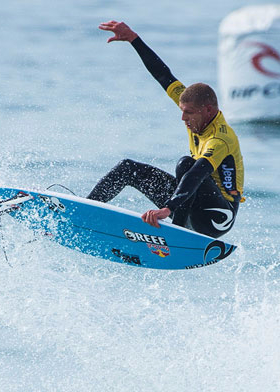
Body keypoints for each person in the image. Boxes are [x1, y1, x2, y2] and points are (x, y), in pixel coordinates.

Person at [89, 21, 244, 237]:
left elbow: (196, 175)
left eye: (189, 113)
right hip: (188, 204)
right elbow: (163, 75)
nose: (183, 118)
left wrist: (167, 209)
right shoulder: (194, 111)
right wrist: (134, 39)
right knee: (127, 168)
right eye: (183, 110)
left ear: (208, 110)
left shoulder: (220, 139)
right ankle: (85, 210)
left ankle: (176, 230)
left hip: (216, 218)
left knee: (187, 164)